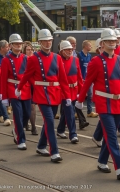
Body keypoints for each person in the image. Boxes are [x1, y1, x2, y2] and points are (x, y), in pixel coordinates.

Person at [75, 29, 120, 180]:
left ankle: (102, 161)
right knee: (112, 136)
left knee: (109, 135)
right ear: (102, 43)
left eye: (113, 41)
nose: (111, 43)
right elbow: (87, 82)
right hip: (103, 103)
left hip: (117, 103)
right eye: (108, 41)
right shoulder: (96, 61)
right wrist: (80, 100)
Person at [16, 29, 71, 162]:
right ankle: (54, 151)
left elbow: (63, 79)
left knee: (49, 121)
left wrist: (67, 95)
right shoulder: (34, 59)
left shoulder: (57, 57)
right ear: (40, 42)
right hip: (41, 94)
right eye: (45, 40)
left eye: (50, 40)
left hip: (55, 94)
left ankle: (41, 145)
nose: (48, 43)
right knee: (50, 121)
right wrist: (19, 88)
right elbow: (27, 75)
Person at [1, 34, 31, 150]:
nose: (19, 45)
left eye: (20, 43)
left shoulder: (26, 58)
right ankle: (21, 139)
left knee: (27, 114)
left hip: (26, 89)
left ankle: (16, 130)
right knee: (17, 115)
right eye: (16, 43)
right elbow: (3, 79)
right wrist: (4, 96)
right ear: (11, 45)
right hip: (12, 89)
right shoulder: (6, 60)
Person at [56, 40, 88, 143]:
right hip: (64, 91)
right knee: (70, 112)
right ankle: (73, 134)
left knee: (67, 112)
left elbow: (79, 77)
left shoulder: (76, 60)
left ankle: (60, 129)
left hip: (74, 90)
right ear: (62, 51)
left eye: (71, 49)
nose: (70, 51)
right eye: (67, 49)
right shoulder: (58, 61)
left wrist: (81, 92)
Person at [77, 40, 99, 118]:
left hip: (87, 79)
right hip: (81, 79)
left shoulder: (89, 56)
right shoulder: (79, 55)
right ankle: (77, 112)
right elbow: (77, 67)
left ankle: (89, 111)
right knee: (79, 95)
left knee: (89, 95)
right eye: (89, 45)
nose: (91, 47)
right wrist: (80, 78)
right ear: (85, 46)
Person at [22, 42, 37, 135]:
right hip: (25, 84)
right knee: (26, 107)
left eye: (31, 50)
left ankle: (34, 127)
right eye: (28, 49)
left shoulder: (35, 59)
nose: (30, 51)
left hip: (33, 85)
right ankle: (25, 123)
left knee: (32, 107)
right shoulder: (23, 59)